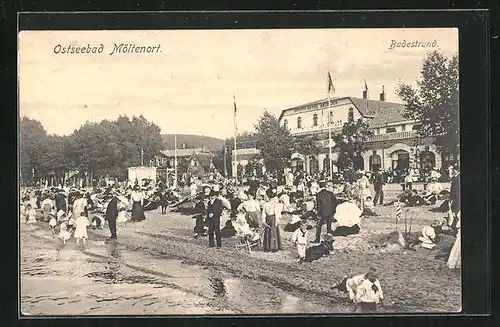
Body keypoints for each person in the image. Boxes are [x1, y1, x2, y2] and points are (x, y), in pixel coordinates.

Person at [261, 188, 283, 252]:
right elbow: (264, 213)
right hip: (270, 218)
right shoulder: (266, 204)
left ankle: (273, 247)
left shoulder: (274, 204)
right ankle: (268, 247)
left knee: (272, 232)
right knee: (269, 232)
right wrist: (264, 221)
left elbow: (276, 213)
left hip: (272, 218)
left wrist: (276, 220)